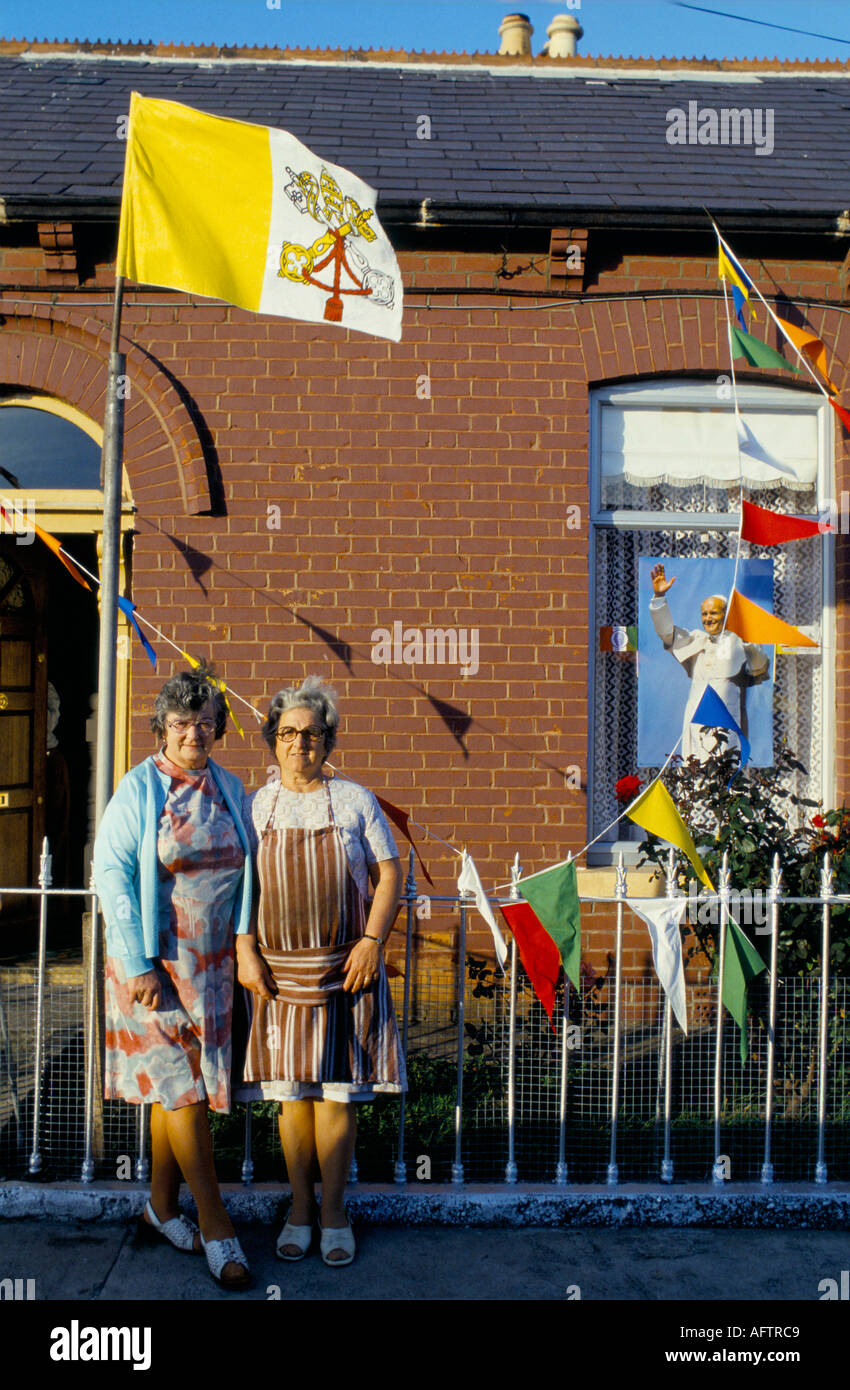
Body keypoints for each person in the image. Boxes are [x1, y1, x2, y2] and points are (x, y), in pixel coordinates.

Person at [93, 667, 254, 1290]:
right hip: (153, 970)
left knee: (178, 1087)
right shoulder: (138, 790)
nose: (195, 733)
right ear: (162, 728)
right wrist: (137, 964)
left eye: (205, 722)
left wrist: (242, 942)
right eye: (182, 723)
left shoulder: (230, 787)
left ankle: (160, 1207)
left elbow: (251, 872)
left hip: (210, 968)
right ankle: (218, 1229)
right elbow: (112, 875)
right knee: (184, 1090)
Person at [236, 676, 405, 1266]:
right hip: (278, 975)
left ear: (328, 741)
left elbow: (390, 873)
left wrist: (371, 942)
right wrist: (246, 950)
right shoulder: (256, 806)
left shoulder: (356, 801)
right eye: (287, 733)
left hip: (344, 969)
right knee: (292, 1100)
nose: (300, 744)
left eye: (311, 734)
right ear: (272, 741)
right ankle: (300, 1207)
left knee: (336, 1097)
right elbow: (242, 887)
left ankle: (334, 1211)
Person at [649, 562, 769, 761]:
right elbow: (666, 632)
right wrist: (659, 598)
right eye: (704, 614)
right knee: (694, 771)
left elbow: (758, 665)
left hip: (726, 718)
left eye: (713, 613)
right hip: (696, 717)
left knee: (723, 771)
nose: (708, 618)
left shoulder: (740, 640)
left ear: (726, 614)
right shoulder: (697, 640)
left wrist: (746, 638)